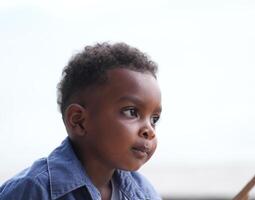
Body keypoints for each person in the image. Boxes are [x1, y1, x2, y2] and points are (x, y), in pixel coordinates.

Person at [0, 42, 162, 200]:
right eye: (131, 112)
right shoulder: (32, 190)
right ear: (79, 121)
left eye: (154, 119)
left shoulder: (144, 193)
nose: (149, 130)